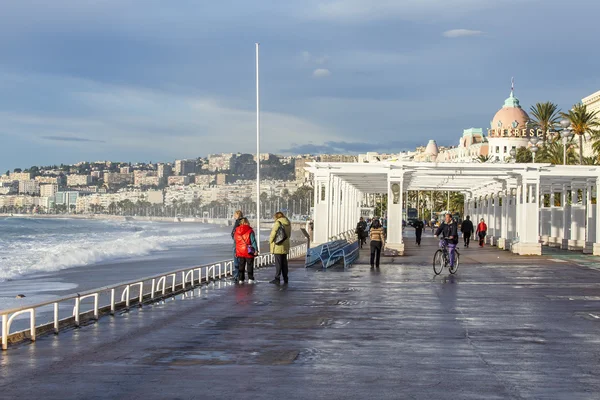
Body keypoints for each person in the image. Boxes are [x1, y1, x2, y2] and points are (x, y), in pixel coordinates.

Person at [269, 211, 292, 285]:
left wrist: (270, 241)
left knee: (278, 263)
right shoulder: (288, 223)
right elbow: (289, 234)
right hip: (285, 245)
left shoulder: (278, 223)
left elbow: (273, 233)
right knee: (284, 263)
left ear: (277, 217)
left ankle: (277, 278)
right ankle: (285, 278)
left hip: (278, 245)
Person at [234, 218, 259, 284]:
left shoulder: (236, 231)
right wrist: (256, 249)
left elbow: (236, 242)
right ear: (246, 222)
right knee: (249, 265)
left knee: (241, 265)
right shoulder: (250, 230)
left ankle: (241, 279)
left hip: (240, 250)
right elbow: (253, 241)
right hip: (248, 250)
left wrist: (236, 251)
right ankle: (250, 279)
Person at [231, 210, 244, 281]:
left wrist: (233, 237)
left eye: (235, 214)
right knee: (240, 260)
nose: (234, 216)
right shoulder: (244, 221)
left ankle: (236, 276)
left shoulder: (238, 222)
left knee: (236, 259)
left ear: (237, 215)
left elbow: (234, 232)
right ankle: (240, 276)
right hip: (242, 243)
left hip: (237, 243)